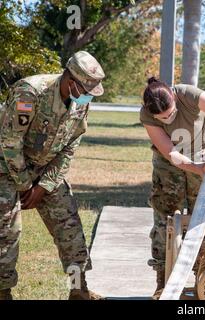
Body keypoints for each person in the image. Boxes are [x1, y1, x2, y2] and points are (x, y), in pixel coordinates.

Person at [0, 51, 105, 300]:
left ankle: (79, 290)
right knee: (6, 231)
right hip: (6, 167)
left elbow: (71, 144)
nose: (90, 96)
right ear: (71, 82)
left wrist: (45, 185)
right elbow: (10, 142)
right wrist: (25, 185)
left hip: (46, 169)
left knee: (69, 226)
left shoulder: (81, 100)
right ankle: (2, 292)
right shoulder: (30, 92)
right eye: (86, 89)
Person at [140, 78, 205, 299]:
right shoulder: (147, 114)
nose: (168, 119)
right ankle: (163, 283)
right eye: (162, 118)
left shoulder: (188, 95)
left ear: (174, 98)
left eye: (170, 113)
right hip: (169, 163)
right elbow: (171, 153)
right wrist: (195, 168)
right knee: (165, 220)